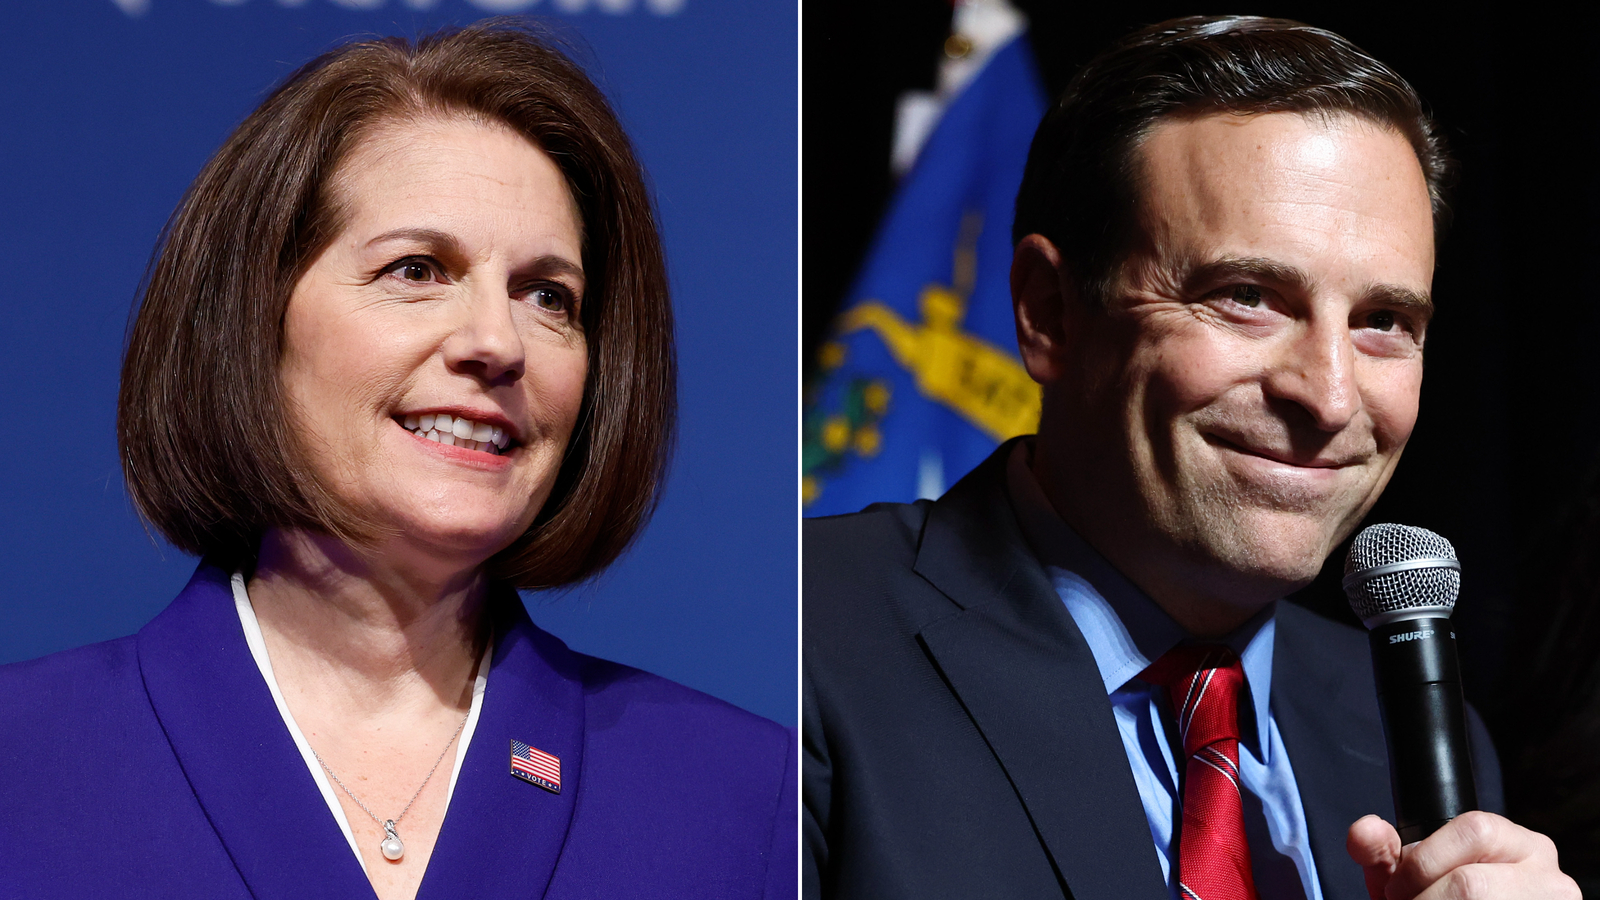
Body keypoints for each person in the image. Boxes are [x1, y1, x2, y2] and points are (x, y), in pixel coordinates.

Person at [0, 24, 794, 900]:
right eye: (417, 269)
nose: (498, 342)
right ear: (252, 324)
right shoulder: (22, 761)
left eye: (547, 297)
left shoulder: (750, 802)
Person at [803, 16, 1576, 900]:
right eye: (1247, 297)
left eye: (1383, 322)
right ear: (1048, 312)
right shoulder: (801, 648)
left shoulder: (1408, 729)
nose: (1328, 396)